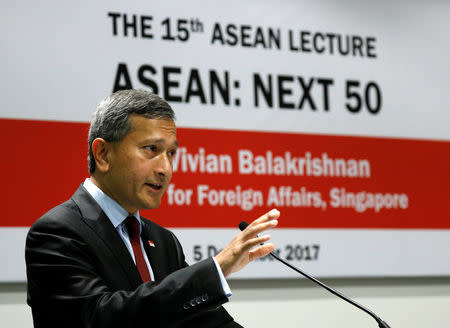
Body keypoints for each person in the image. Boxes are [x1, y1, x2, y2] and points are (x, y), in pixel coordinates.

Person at [25, 89, 280, 328]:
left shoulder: (163, 241)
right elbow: (100, 318)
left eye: (171, 153)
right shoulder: (56, 233)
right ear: (103, 154)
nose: (165, 169)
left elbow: (206, 321)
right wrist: (216, 268)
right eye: (152, 149)